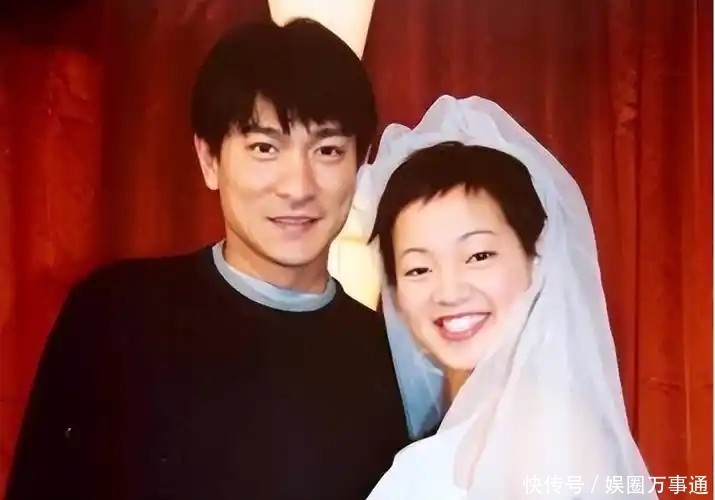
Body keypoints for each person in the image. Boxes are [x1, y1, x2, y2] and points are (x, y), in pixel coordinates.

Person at [6, 19, 408, 500]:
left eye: (327, 150)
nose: (298, 186)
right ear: (209, 159)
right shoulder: (115, 315)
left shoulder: (389, 361)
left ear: (360, 163)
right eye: (264, 147)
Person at [349, 95, 655, 499]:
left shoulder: (551, 436)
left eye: (478, 256)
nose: (449, 291)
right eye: (419, 269)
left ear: (535, 259)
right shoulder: (451, 425)